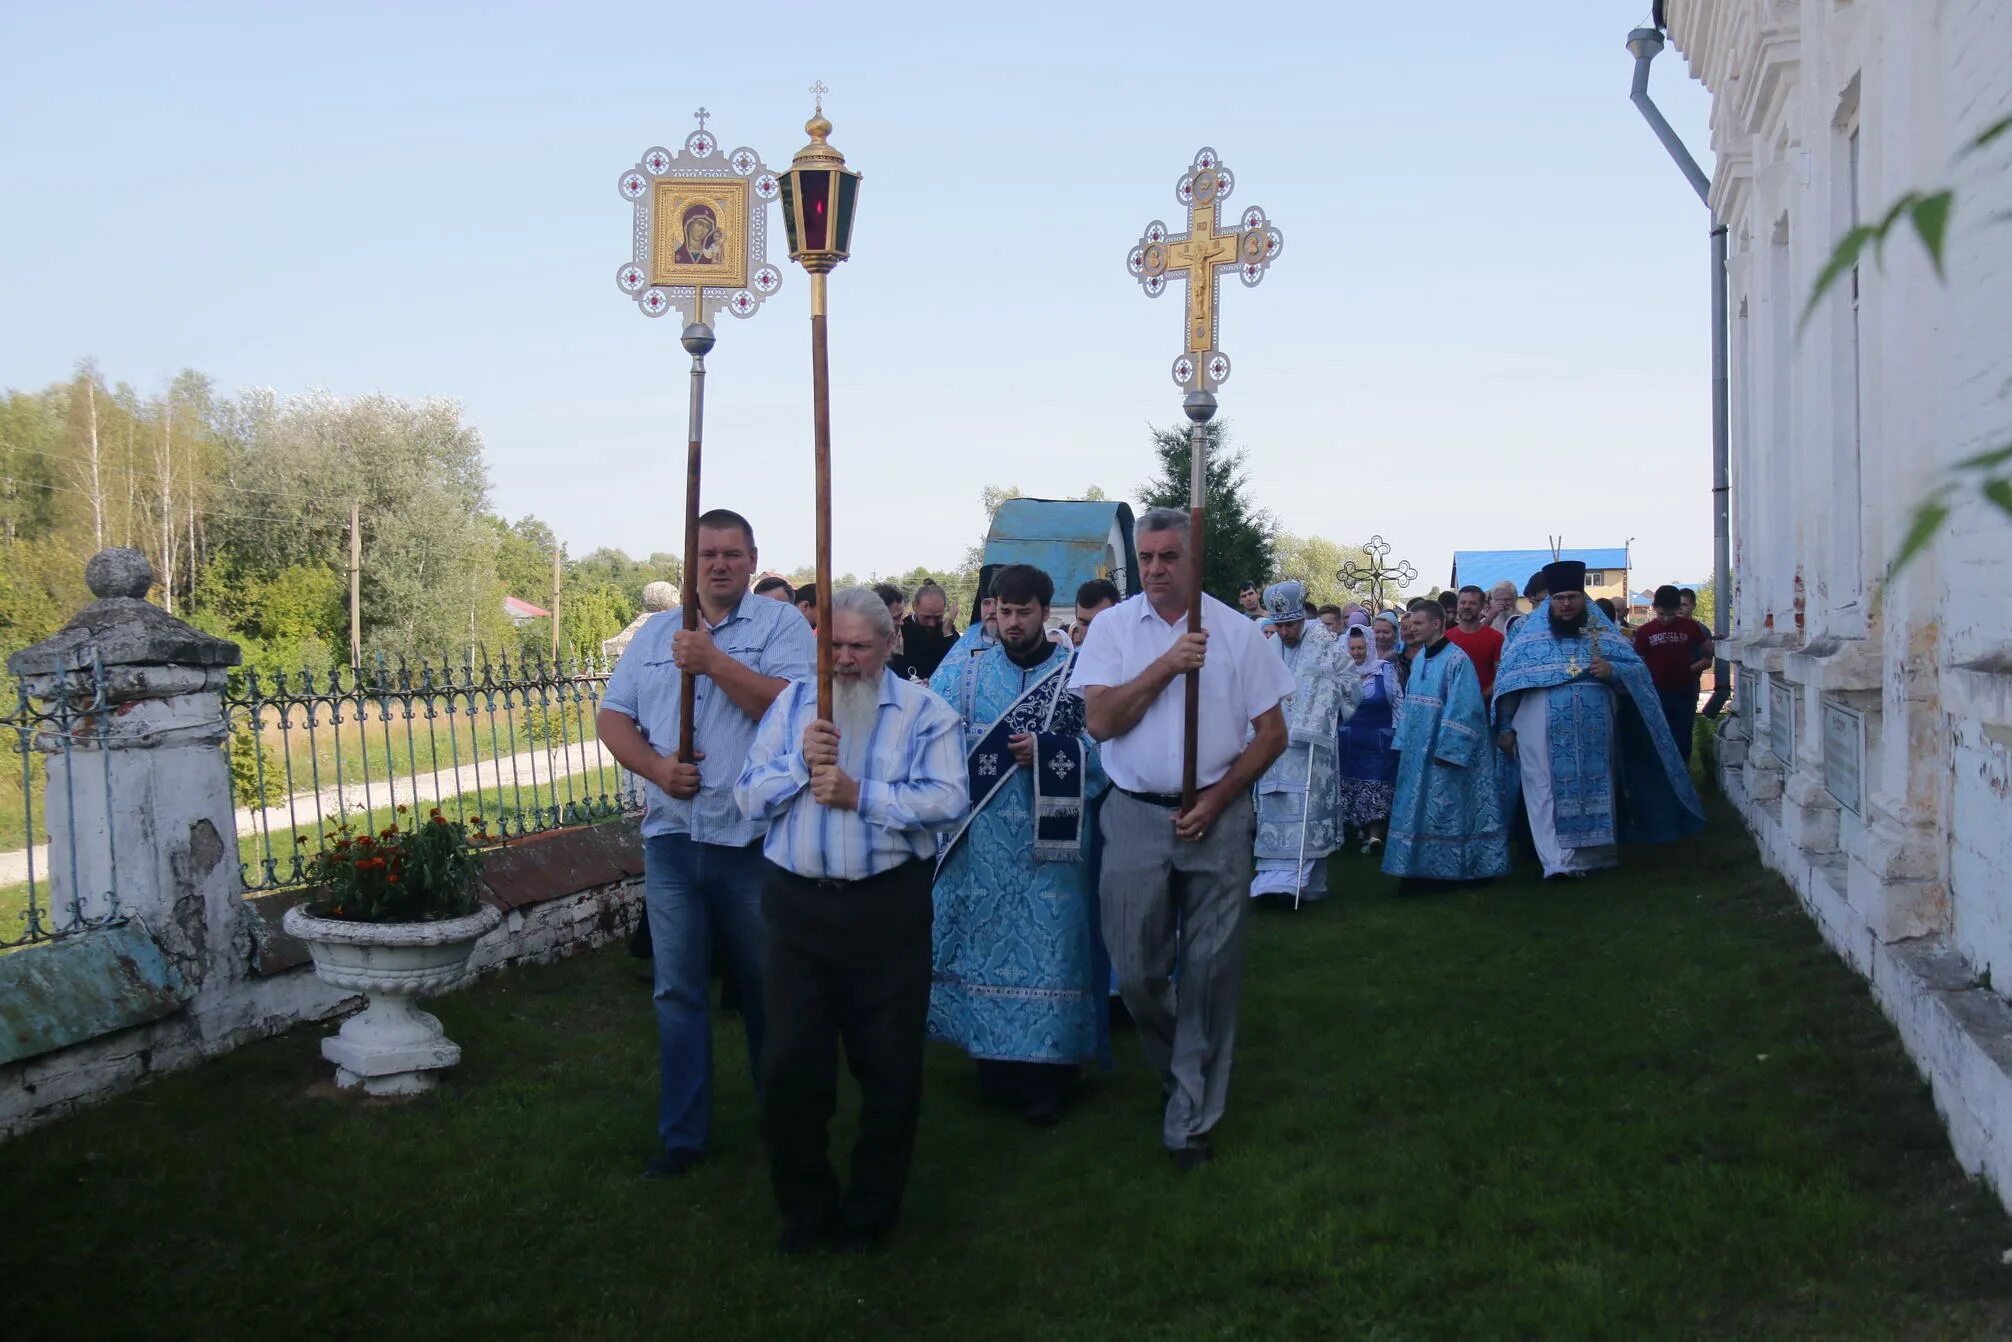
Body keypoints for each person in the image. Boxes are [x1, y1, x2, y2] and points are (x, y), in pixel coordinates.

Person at [734, 586, 969, 1253]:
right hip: (797, 911)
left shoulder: (925, 714)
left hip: (885, 909)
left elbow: (950, 799)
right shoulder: (791, 709)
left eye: (858, 647)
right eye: (831, 645)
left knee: (890, 1070)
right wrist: (799, 766)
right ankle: (805, 1213)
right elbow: (747, 797)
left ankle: (871, 1214)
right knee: (789, 1069)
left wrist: (862, 795)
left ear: (889, 644)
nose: (843, 660)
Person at [1069, 508, 1293, 1171]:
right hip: (1135, 813)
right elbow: (1102, 722)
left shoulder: (1237, 633)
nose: (1157, 569)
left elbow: (1272, 733)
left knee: (1211, 975)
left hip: (1218, 819)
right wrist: (1167, 665)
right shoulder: (1112, 628)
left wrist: (1220, 799)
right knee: (1137, 974)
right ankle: (1184, 1074)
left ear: (1194, 558)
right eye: (1147, 557)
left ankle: (1189, 1118)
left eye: (1170, 556)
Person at [595, 509, 815, 1180]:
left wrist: (714, 663)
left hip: (751, 841)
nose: (719, 564)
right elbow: (612, 717)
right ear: (690, 565)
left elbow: (792, 708)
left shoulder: (781, 626)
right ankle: (684, 1135)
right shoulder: (657, 634)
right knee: (678, 992)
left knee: (764, 990)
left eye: (732, 553)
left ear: (753, 561)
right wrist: (658, 769)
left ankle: (781, 1123)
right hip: (672, 839)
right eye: (707, 554)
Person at [927, 564, 1109, 1125]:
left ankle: (1053, 1078)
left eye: (1022, 612)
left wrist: (1054, 753)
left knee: (1054, 955)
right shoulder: (963, 673)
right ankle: (993, 1066)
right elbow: (930, 738)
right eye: (1003, 611)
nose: (1010, 622)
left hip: (1051, 851)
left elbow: (1107, 754)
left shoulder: (1078, 675)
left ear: (1043, 613)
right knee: (986, 952)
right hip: (982, 846)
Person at [1493, 561, 1705, 881]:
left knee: (1597, 782)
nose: (1566, 604)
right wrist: (1505, 726)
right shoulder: (1525, 632)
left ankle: (1596, 856)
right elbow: (1509, 681)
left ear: (1583, 597)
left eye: (1573, 597)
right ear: (1550, 600)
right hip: (1539, 722)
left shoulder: (1601, 628)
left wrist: (1613, 671)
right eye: (1559, 598)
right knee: (1545, 787)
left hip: (1594, 722)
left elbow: (1637, 671)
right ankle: (1558, 862)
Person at [1381, 603, 1510, 890]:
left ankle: (1451, 872)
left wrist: (1450, 749)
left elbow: (1465, 708)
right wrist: (1403, 741)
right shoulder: (1422, 657)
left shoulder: (1457, 660)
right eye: (1411, 623)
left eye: (1418, 623)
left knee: (1446, 811)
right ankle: (1417, 870)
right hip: (1418, 751)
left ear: (1437, 624)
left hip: (1443, 750)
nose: (1411, 628)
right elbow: (1410, 703)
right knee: (1416, 810)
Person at [1250, 581, 1360, 905]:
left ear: (1301, 619)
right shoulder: (1271, 648)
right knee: (1275, 809)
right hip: (1274, 748)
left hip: (1312, 749)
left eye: (1289, 625)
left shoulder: (1326, 645)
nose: (1283, 632)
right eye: (1279, 626)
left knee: (1308, 814)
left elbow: (1353, 686)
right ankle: (1271, 883)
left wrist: (1327, 701)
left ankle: (1303, 883)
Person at [1337, 624, 1402, 855]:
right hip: (1349, 742)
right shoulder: (1341, 672)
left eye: (1361, 648)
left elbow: (1397, 703)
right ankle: (1358, 831)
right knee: (1351, 787)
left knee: (1378, 786)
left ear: (1370, 646)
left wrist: (1396, 733)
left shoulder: (1384, 670)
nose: (1356, 653)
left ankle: (1376, 836)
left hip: (1379, 741)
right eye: (1352, 648)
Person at [1633, 584, 1715, 764]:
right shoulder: (1645, 632)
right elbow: (1637, 661)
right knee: (1658, 731)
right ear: (1654, 608)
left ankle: (1683, 771)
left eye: (1671, 614)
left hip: (1684, 689)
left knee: (1683, 732)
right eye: (1661, 614)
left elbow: (1707, 651)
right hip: (1656, 690)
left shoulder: (1691, 627)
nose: (1666, 619)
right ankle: (1660, 772)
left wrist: (1713, 646)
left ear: (1678, 609)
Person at [1444, 584, 1505, 699]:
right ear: (1457, 605)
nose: (1467, 606)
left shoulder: (1496, 638)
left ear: (1482, 606)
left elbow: (1500, 675)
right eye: (1463, 602)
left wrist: (1480, 698)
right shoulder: (1446, 638)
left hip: (1484, 706)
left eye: (1472, 603)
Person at [891, 581, 958, 682]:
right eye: (926, 617)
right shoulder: (901, 631)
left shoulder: (947, 631)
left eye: (938, 617)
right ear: (915, 607)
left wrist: (948, 633)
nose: (932, 623)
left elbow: (958, 664)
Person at [1072, 577, 1121, 647]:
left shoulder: (1137, 655)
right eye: (1085, 623)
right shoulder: (1071, 657)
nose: (1091, 630)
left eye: (1100, 623)